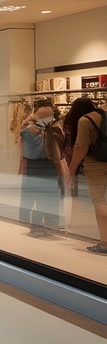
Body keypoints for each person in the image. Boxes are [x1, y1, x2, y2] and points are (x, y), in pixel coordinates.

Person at [64, 97, 107, 254]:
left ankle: (104, 243)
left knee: (99, 202)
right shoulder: (103, 115)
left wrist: (71, 170)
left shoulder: (85, 120)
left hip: (96, 166)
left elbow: (80, 148)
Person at [17, 97, 64, 236]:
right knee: (46, 196)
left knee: (35, 196)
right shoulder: (52, 126)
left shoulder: (31, 127)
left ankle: (37, 226)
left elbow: (22, 134)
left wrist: (32, 119)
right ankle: (44, 225)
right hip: (48, 164)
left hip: (35, 164)